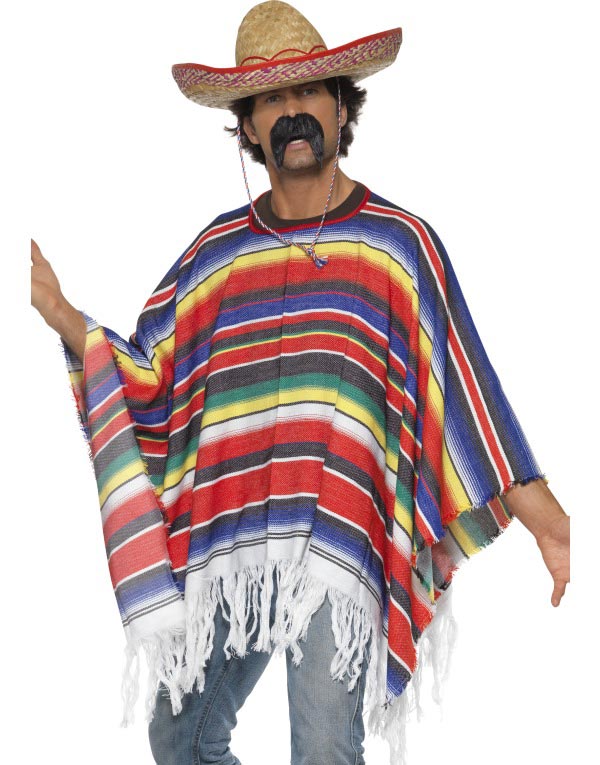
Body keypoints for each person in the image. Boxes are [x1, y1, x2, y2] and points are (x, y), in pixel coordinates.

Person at [30, 2, 570, 764]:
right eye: (270, 99)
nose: (292, 112)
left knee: (322, 748)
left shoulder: (396, 245)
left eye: (309, 91)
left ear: (343, 106)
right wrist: (65, 318)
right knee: (179, 734)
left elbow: (460, 385)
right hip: (237, 541)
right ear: (248, 128)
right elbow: (152, 381)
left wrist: (546, 516)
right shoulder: (216, 255)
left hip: (342, 537)